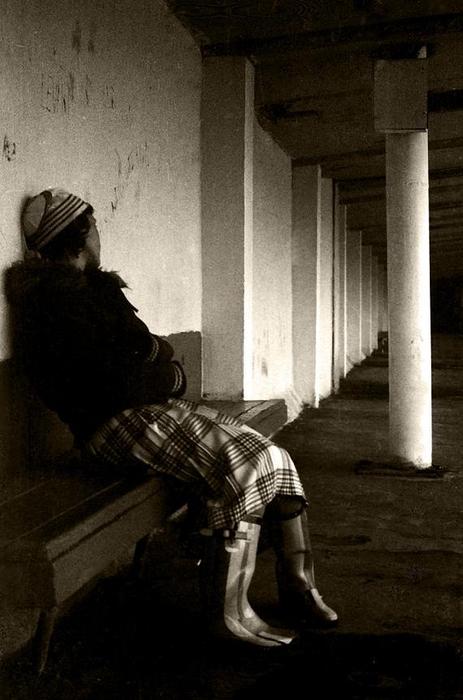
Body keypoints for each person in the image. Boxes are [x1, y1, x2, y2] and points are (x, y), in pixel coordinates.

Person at [5, 188, 338, 648]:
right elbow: (114, 382)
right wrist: (164, 373)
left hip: (144, 412)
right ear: (77, 236)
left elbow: (146, 347)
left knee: (274, 456)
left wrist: (153, 364)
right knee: (244, 464)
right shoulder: (52, 304)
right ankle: (227, 613)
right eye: (94, 225)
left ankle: (298, 585)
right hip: (110, 426)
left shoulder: (97, 290)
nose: (100, 234)